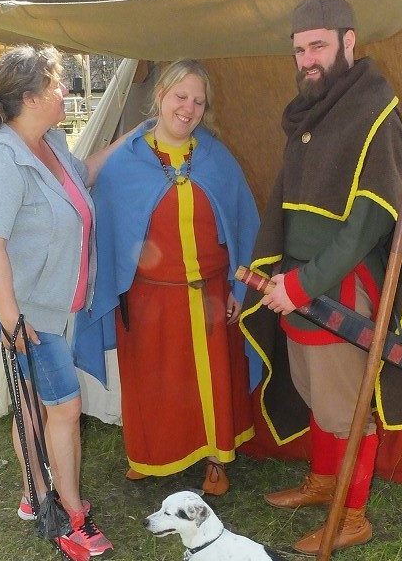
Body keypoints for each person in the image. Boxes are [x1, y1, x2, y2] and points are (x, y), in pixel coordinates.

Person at [240, 0, 402, 553]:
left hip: (339, 291)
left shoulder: (374, 111)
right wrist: (287, 278)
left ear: (349, 43)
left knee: (346, 406)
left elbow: (367, 227)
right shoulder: (313, 111)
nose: (307, 58)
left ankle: (352, 515)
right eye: (299, 49)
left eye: (319, 45)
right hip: (297, 286)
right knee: (313, 391)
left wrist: (303, 285)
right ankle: (325, 481)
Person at [72, 59, 261, 496]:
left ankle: (216, 460)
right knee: (155, 386)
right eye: (181, 96)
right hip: (147, 300)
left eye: (198, 101)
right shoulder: (125, 161)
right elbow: (105, 227)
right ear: (159, 96)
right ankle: (151, 453)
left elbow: (243, 223)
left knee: (212, 382)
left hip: (209, 295)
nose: (189, 108)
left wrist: (238, 287)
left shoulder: (216, 157)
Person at [0, 44, 119, 558]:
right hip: (24, 312)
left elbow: (86, 176)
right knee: (64, 408)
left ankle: (33, 494)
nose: (66, 92)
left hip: (47, 305)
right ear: (31, 98)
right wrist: (12, 320)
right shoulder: (2, 159)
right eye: (57, 85)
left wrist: (138, 138)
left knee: (31, 405)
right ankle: (72, 513)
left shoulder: (48, 141)